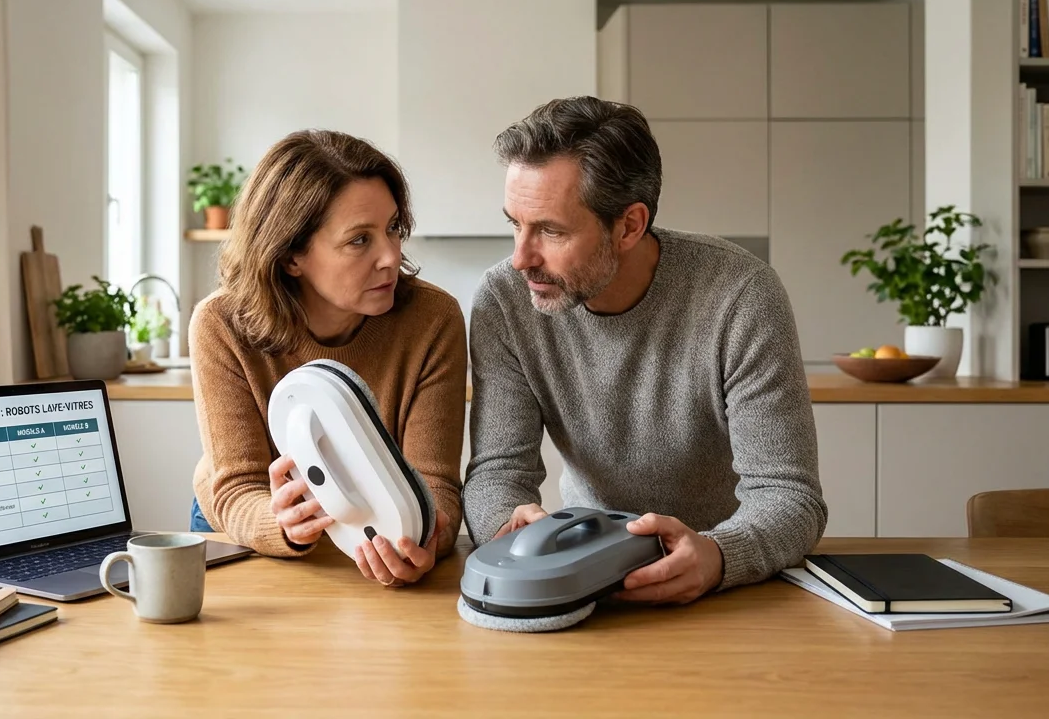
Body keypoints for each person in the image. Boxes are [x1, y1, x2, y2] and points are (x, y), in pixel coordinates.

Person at [462, 96, 827, 604]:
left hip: (722, 588)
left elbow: (790, 497)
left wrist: (719, 556)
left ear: (629, 225)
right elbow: (497, 472)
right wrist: (507, 524)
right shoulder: (504, 300)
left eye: (550, 230)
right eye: (514, 224)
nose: (521, 257)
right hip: (582, 575)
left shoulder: (740, 294)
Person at [189, 129, 467, 587]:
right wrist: (280, 523)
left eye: (393, 228)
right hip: (248, 536)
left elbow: (436, 485)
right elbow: (237, 488)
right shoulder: (221, 325)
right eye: (359, 240)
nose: (390, 257)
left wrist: (426, 540)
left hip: (376, 542)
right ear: (292, 254)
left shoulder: (433, 320)